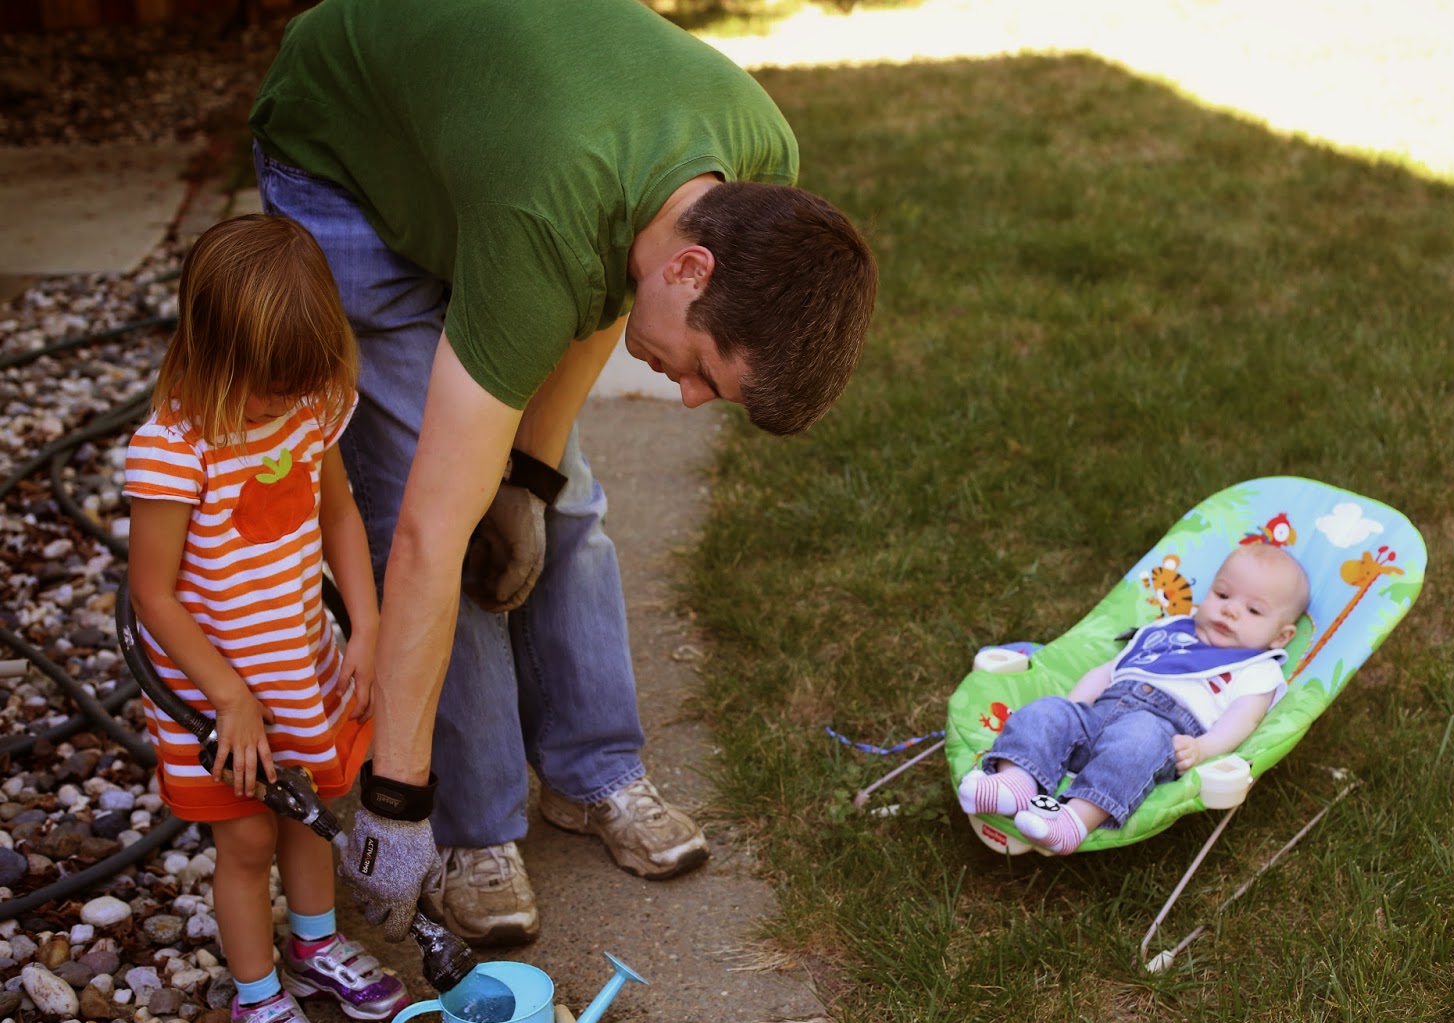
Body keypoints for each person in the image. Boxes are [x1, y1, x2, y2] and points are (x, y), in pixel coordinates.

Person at [247, 0, 879, 948]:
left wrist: (531, 478)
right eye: (704, 372)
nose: (688, 399)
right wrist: (393, 800)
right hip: (348, 152)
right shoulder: (546, 214)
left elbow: (602, 285)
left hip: (499, 154)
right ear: (692, 269)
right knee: (442, 502)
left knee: (562, 499)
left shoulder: (753, 174)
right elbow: (426, 535)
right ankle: (468, 826)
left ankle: (593, 774)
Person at [124, 215, 407, 1023]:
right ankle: (257, 1002)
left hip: (300, 670)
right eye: (267, 389)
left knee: (311, 816)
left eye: (297, 386)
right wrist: (229, 697)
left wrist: (366, 625)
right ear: (210, 354)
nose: (283, 404)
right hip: (216, 699)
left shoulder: (308, 408)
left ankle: (314, 946)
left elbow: (340, 514)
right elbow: (151, 594)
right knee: (247, 842)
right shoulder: (173, 450)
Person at [958, 544, 1310, 854]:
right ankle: (1016, 783)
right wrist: (1071, 709)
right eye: (1222, 595)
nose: (1231, 610)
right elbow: (1108, 672)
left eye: (1254, 611)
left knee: (1138, 739)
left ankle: (1074, 820)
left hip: (1158, 733)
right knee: (1046, 711)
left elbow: (1244, 718)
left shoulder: (1256, 668)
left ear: (1281, 637)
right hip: (1099, 713)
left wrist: (1204, 748)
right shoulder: (1167, 630)